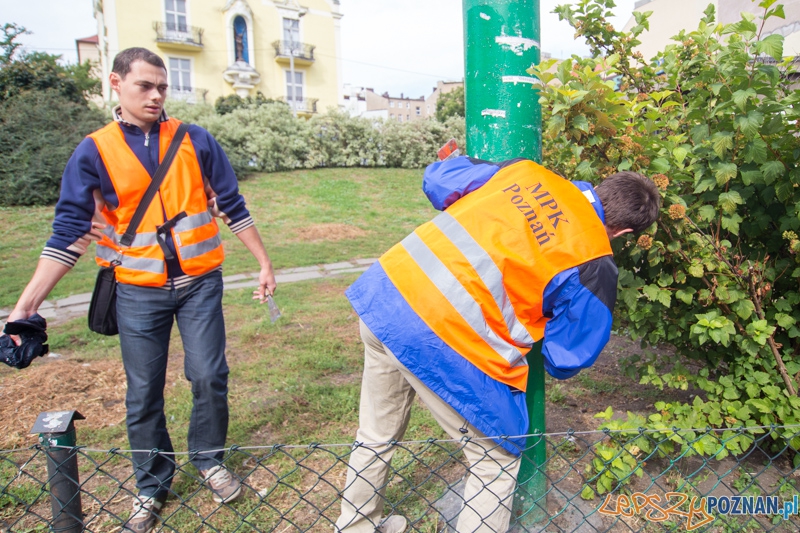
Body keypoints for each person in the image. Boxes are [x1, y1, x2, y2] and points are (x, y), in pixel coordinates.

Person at [2, 48, 277, 533]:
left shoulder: (195, 139)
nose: (155, 96)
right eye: (144, 86)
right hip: (136, 290)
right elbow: (70, 231)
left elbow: (231, 203)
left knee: (209, 374)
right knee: (143, 393)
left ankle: (209, 461)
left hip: (199, 284)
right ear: (116, 83)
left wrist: (263, 262)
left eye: (162, 87)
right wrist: (25, 308)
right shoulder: (94, 151)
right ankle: (151, 485)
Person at [335, 156, 661, 533]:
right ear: (621, 232)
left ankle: (356, 525)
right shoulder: (595, 260)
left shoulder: (525, 172)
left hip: (385, 295)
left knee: (375, 433)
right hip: (439, 338)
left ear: (603, 185)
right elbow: (566, 356)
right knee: (496, 463)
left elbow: (439, 179)